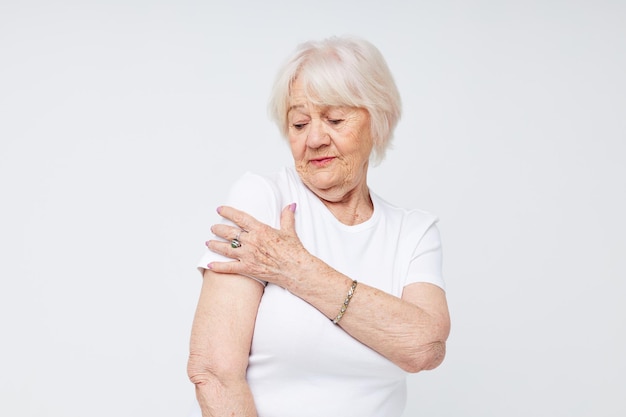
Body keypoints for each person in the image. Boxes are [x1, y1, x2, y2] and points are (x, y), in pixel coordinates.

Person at [187, 36, 450, 417]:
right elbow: (212, 372)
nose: (313, 138)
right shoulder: (263, 200)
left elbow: (424, 348)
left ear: (377, 122)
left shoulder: (413, 232)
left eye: (335, 119)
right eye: (299, 122)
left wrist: (297, 270)